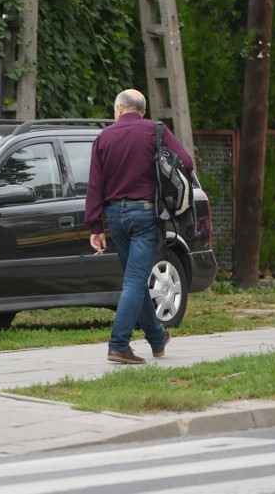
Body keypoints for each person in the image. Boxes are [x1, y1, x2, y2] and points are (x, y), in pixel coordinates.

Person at [84, 89, 194, 364]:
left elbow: (94, 186)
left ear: (119, 109)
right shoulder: (155, 131)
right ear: (141, 111)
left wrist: (95, 227)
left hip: (115, 217)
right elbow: (187, 163)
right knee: (135, 280)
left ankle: (157, 339)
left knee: (136, 279)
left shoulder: (103, 137)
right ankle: (118, 345)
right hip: (145, 216)